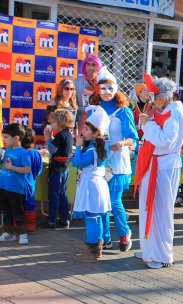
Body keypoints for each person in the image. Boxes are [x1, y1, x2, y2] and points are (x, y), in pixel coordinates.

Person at [135, 76, 183, 269]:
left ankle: (163, 255)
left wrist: (149, 124)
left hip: (163, 167)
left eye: (154, 97)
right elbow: (150, 130)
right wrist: (148, 120)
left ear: (163, 98)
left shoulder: (174, 114)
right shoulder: (162, 112)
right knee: (148, 208)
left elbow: (166, 141)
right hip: (153, 164)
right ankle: (149, 248)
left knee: (161, 211)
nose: (151, 101)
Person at [90, 68, 137, 251]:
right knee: (101, 201)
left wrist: (121, 143)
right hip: (100, 161)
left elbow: (132, 137)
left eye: (110, 88)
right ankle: (105, 238)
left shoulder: (123, 111)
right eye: (103, 88)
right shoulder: (95, 110)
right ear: (97, 90)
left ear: (116, 89)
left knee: (115, 201)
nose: (107, 92)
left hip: (118, 162)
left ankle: (124, 235)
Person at [72, 107, 111, 263]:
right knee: (96, 216)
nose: (83, 132)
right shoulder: (97, 148)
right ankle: (96, 248)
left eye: (86, 129)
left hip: (92, 187)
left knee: (92, 217)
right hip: (96, 185)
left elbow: (76, 162)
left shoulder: (91, 151)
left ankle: (92, 250)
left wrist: (78, 146)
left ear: (96, 133)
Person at [0, 124, 32, 244]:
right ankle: (9, 233)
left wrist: (12, 167)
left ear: (16, 138)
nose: (4, 139)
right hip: (3, 187)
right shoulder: (8, 150)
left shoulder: (23, 153)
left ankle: (23, 234)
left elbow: (27, 170)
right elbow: (4, 164)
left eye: (6, 137)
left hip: (15, 190)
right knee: (6, 212)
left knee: (17, 213)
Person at [43, 109, 74, 229]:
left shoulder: (61, 135)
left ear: (60, 122)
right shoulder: (67, 134)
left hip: (57, 169)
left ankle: (52, 220)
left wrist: (47, 137)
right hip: (63, 168)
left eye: (53, 122)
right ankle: (64, 218)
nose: (51, 125)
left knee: (54, 194)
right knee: (62, 193)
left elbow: (52, 150)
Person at [21, 128, 43, 233]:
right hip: (30, 183)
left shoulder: (19, 153)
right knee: (30, 204)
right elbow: (39, 169)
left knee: (17, 205)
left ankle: (17, 226)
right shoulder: (36, 153)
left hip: (18, 184)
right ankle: (30, 226)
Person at [74, 55, 102, 126]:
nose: (91, 67)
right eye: (88, 64)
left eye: (94, 65)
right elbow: (73, 105)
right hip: (82, 121)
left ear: (98, 66)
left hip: (100, 121)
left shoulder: (103, 82)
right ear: (84, 66)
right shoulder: (76, 82)